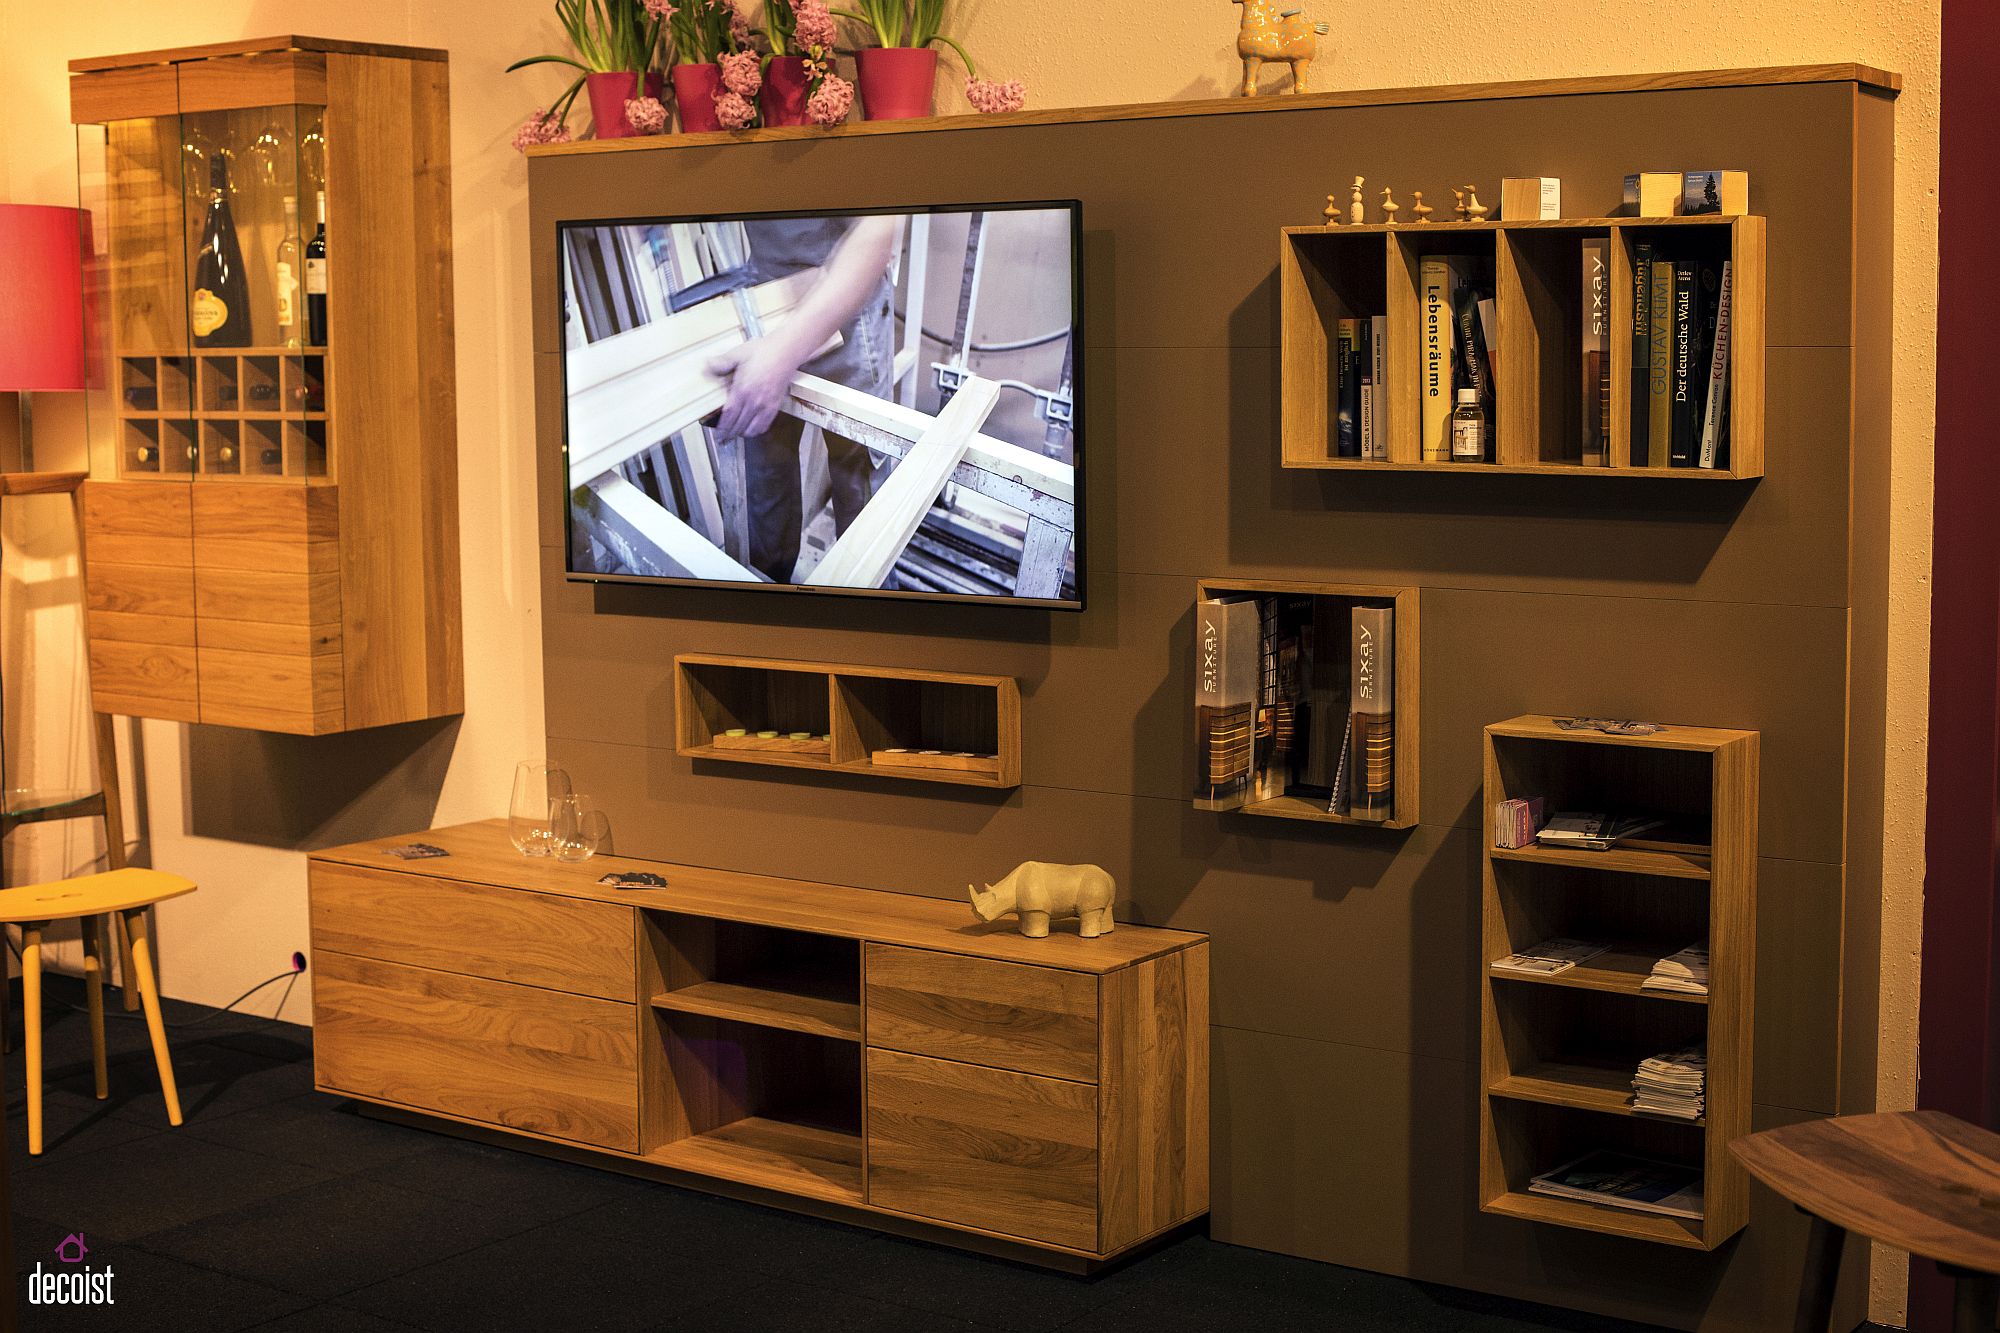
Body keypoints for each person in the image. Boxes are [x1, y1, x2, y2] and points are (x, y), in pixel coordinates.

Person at [706, 215, 899, 583]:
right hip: (764, 303)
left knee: (861, 496)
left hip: (847, 306)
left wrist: (781, 354)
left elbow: (878, 230)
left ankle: (874, 616)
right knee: (765, 491)